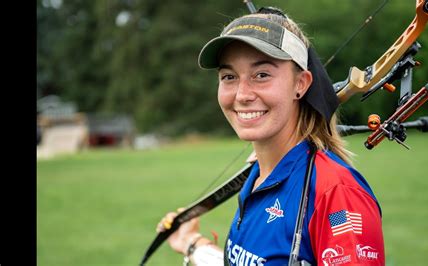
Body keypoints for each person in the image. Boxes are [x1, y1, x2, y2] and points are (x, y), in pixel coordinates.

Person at [157, 6, 385, 266]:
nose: (242, 94)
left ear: (301, 84)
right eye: (229, 76)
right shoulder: (257, 177)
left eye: (261, 75)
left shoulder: (338, 195)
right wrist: (192, 244)